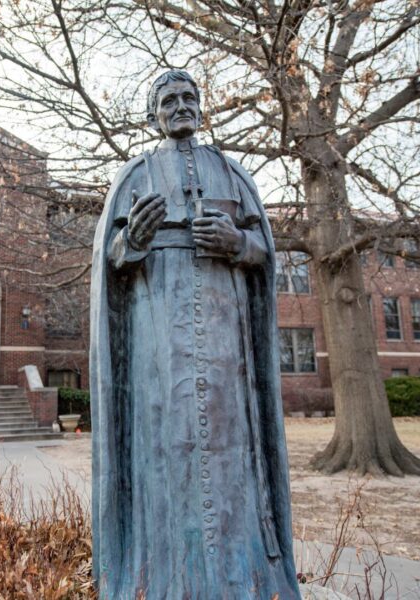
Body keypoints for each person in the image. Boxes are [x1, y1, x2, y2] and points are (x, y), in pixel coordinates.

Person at [90, 69, 300, 599]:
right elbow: (110, 261)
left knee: (230, 456)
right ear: (152, 115)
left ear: (201, 108)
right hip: (154, 335)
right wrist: (131, 240)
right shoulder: (134, 175)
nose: (180, 106)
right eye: (168, 100)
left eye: (189, 98)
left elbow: (264, 251)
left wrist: (238, 243)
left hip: (226, 342)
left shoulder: (232, 174)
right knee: (165, 454)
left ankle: (239, 577)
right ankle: (164, 578)